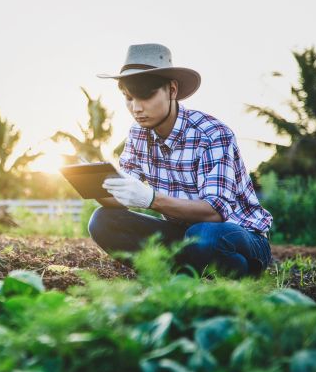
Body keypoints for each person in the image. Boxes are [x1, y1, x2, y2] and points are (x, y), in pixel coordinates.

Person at [88, 43, 273, 277]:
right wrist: (101, 188)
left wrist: (151, 199)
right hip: (183, 233)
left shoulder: (212, 134)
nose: (136, 108)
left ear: (172, 90)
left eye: (146, 95)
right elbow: (125, 194)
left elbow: (214, 213)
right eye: (128, 98)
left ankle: (242, 275)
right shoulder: (137, 134)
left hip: (239, 234)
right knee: (102, 221)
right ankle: (175, 275)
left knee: (205, 235)